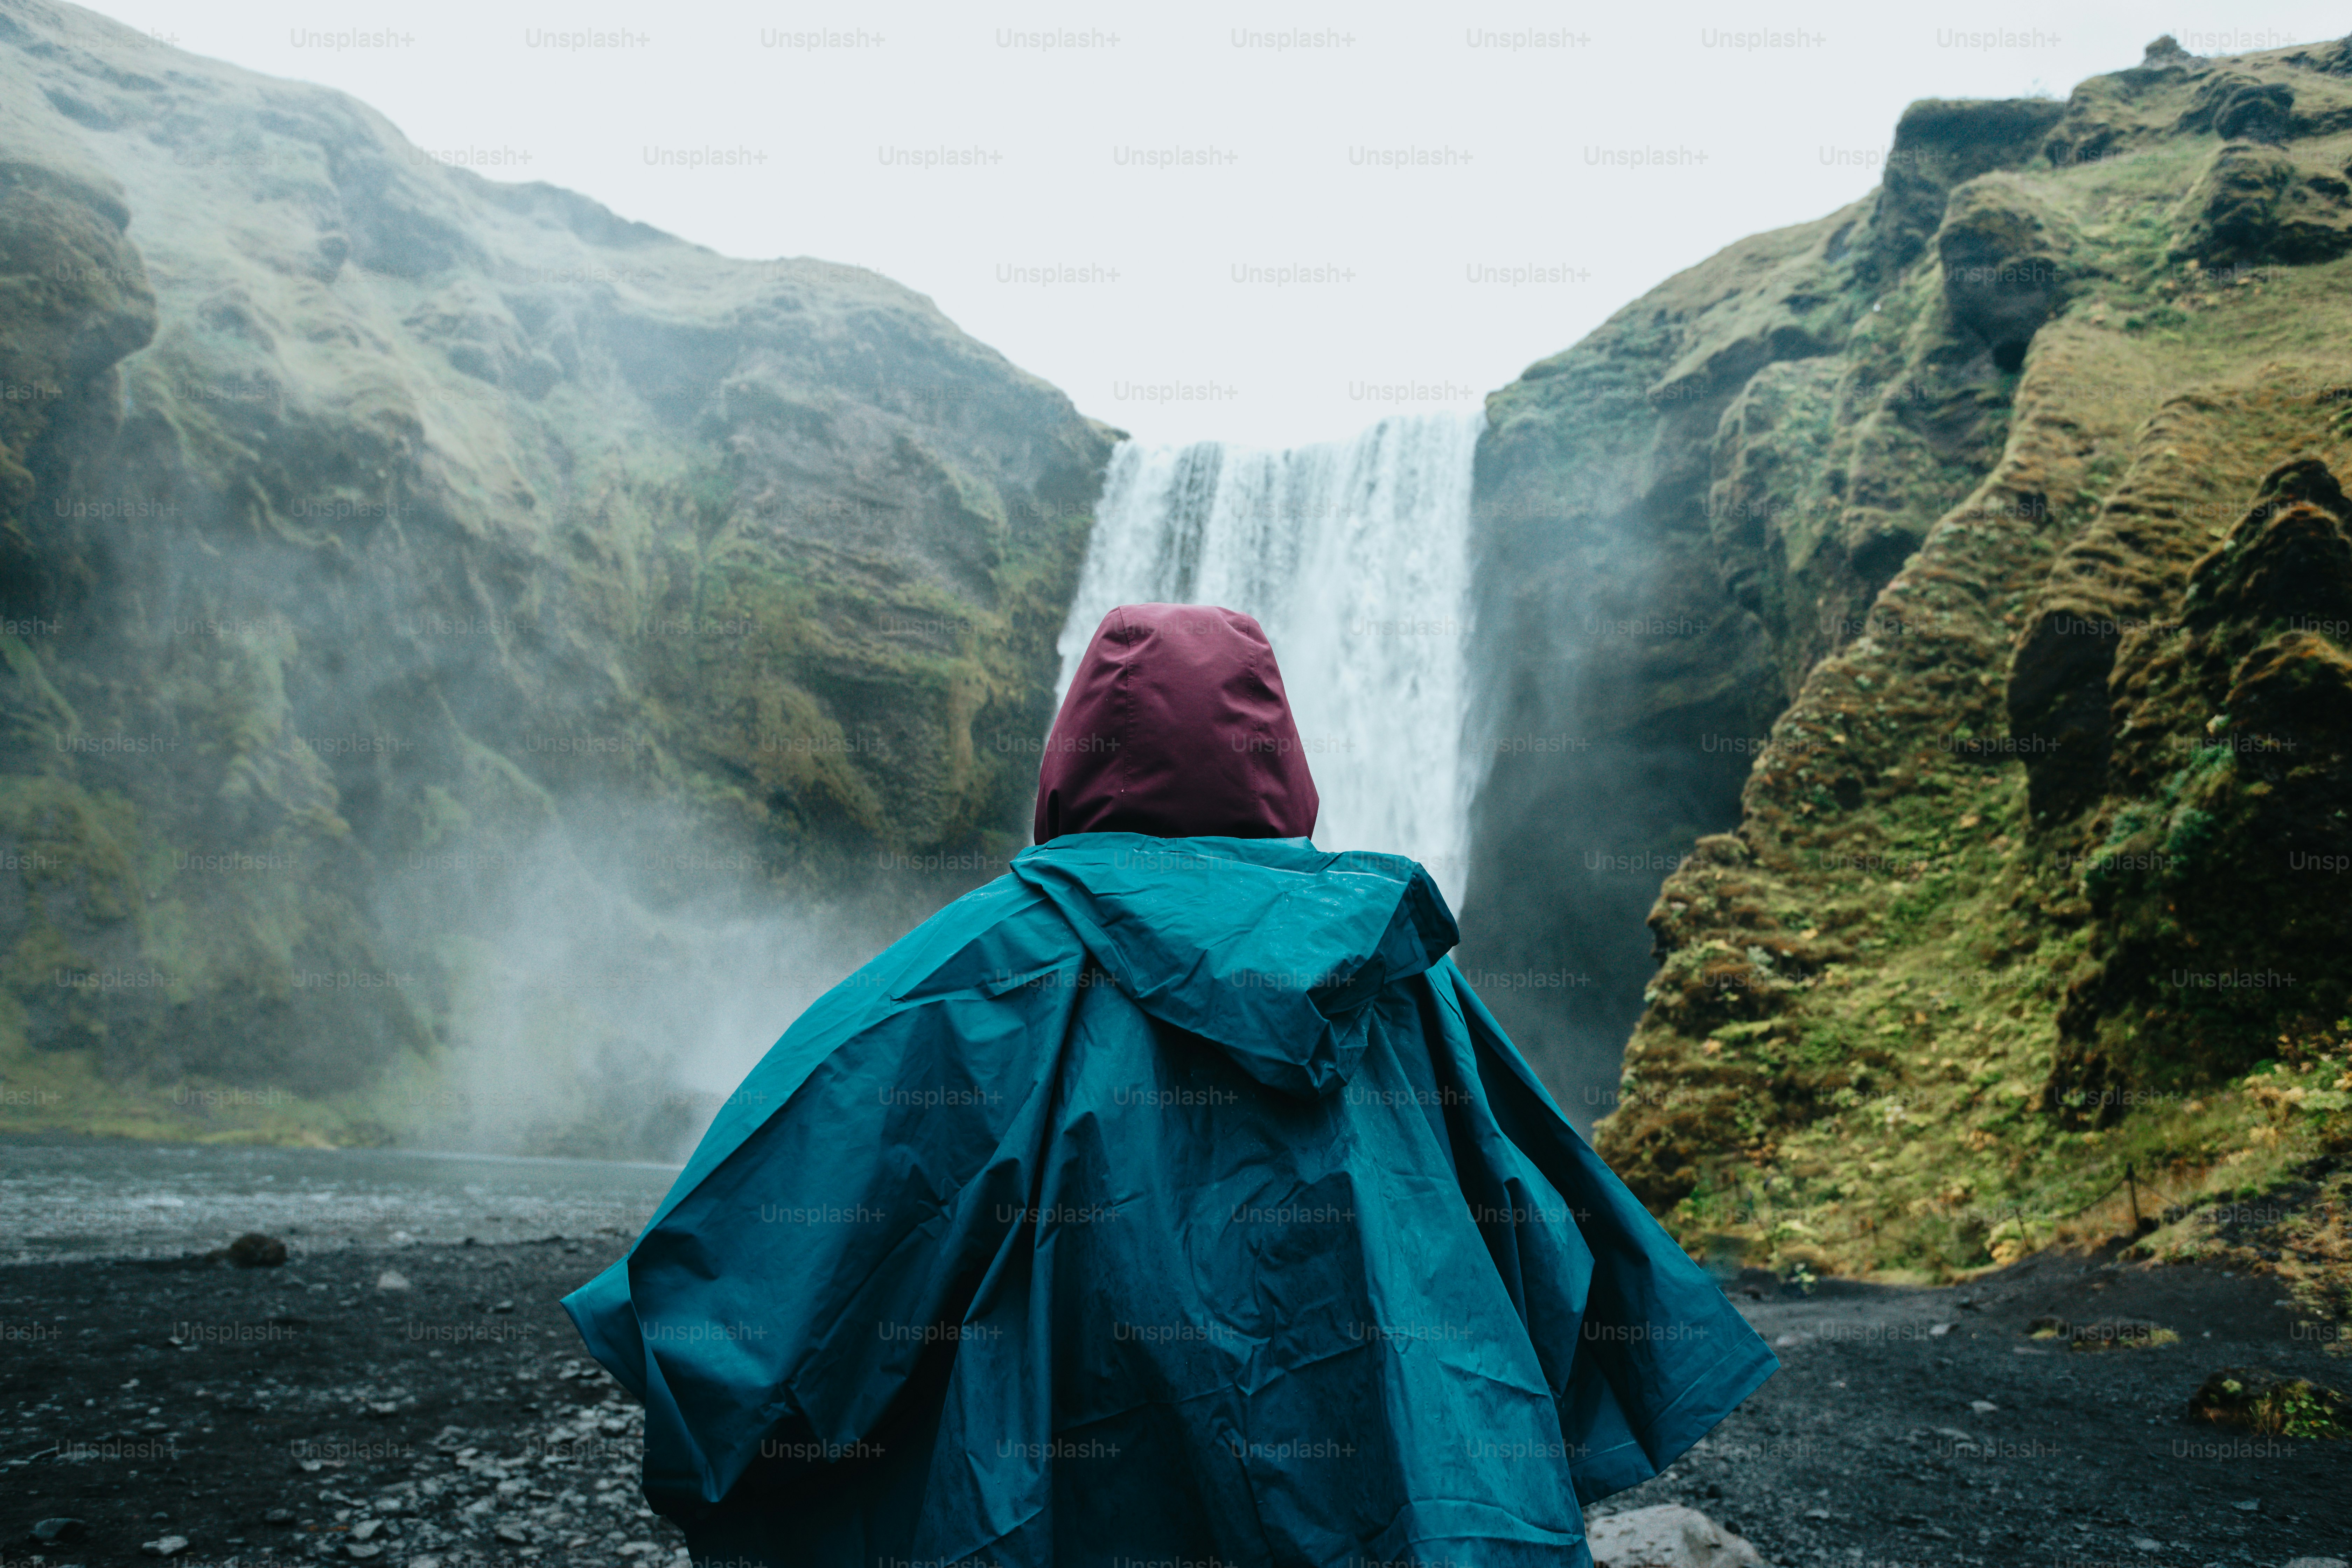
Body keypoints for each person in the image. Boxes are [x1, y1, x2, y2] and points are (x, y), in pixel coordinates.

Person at [564, 602, 1776, 1567]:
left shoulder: (977, 966)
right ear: (1279, 757)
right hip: (1414, 1514)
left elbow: (776, 1268)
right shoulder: (1400, 974)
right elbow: (1562, 1260)